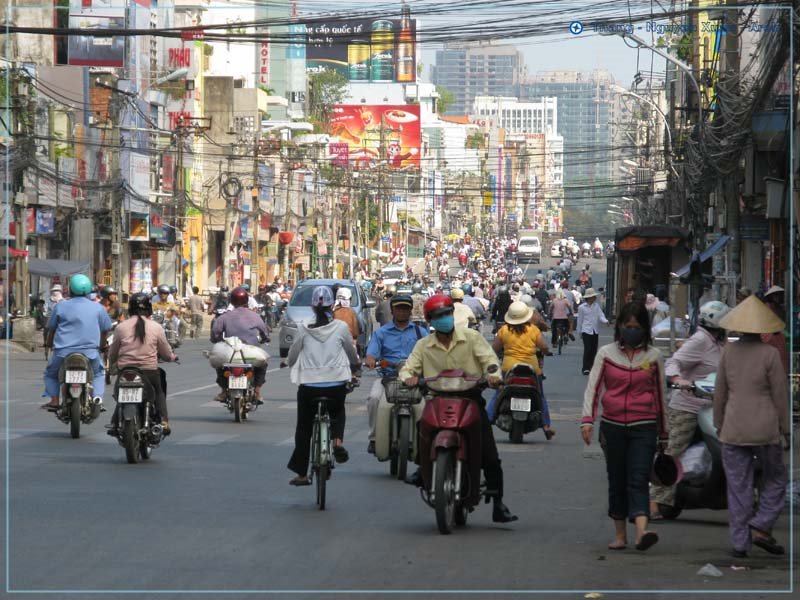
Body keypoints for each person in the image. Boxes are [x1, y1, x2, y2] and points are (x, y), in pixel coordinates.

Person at [399, 294, 517, 523]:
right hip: (436, 399)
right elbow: (408, 368)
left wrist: (493, 376)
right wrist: (408, 378)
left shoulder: (472, 338)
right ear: (430, 320)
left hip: (470, 399)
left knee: (490, 456)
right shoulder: (423, 345)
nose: (444, 318)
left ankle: (498, 502)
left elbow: (490, 360)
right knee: (421, 425)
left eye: (447, 313)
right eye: (438, 315)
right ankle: (421, 469)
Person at [581, 301, 668, 551]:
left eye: (637, 326)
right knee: (617, 479)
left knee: (639, 477)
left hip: (645, 426)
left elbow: (661, 396)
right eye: (628, 326)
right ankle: (620, 535)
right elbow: (593, 389)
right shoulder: (606, 354)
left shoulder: (654, 357)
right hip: (612, 426)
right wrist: (587, 420)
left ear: (644, 328)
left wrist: (664, 433)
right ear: (620, 327)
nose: (632, 330)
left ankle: (642, 532)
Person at [713, 295, 789, 558]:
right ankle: (762, 522)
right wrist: (786, 427)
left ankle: (739, 544)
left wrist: (718, 422)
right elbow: (780, 395)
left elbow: (719, 392)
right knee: (776, 479)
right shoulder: (770, 353)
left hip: (733, 428)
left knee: (738, 487)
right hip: (766, 429)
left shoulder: (728, 352)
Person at [649, 300, 730, 519]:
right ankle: (655, 502)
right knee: (672, 452)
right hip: (688, 406)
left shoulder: (720, 343)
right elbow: (674, 362)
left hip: (713, 407)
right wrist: (678, 379)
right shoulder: (701, 340)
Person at [286, 286, 360, 486]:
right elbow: (351, 352)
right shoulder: (341, 327)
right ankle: (337, 442)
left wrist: (290, 363)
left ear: (312, 306)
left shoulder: (303, 327)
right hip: (336, 385)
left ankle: (302, 474)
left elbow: (293, 355)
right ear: (331, 305)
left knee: (304, 428)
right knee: (338, 411)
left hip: (309, 386)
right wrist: (355, 364)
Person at [363, 295, 427, 453]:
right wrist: (371, 359)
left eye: (406, 309)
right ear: (392, 310)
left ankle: (425, 441)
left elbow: (431, 352)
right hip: (388, 377)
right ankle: (374, 438)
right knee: (373, 399)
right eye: (399, 308)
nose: (402, 312)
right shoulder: (381, 333)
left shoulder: (421, 333)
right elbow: (371, 352)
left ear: (411, 311)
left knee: (427, 406)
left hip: (414, 379)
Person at [107, 293, 178, 434]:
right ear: (149, 308)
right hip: (149, 371)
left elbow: (113, 353)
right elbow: (165, 352)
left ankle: (116, 420)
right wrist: (172, 357)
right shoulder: (156, 327)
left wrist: (112, 364)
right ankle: (164, 420)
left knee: (121, 393)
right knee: (158, 391)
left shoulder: (121, 327)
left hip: (126, 370)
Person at [41, 274, 113, 410]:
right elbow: (105, 330)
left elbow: (51, 329)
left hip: (63, 352)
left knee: (50, 374)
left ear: (70, 290)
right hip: (90, 353)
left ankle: (55, 400)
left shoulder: (60, 306)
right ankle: (98, 398)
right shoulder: (98, 308)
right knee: (98, 373)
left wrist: (49, 344)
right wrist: (102, 346)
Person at [491, 301, 554, 440]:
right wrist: (546, 351)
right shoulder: (533, 330)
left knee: (498, 394)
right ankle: (546, 426)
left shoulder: (503, 330)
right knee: (540, 396)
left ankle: (487, 420)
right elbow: (543, 346)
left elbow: (494, 349)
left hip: (508, 368)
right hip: (531, 369)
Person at [210, 287, 270, 403]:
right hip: (250, 351)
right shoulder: (255, 316)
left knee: (220, 365)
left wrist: (216, 340)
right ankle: (257, 391)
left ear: (231, 301)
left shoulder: (225, 316)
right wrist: (265, 338)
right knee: (263, 364)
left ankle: (223, 391)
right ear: (247, 300)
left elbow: (215, 333)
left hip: (230, 352)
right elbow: (264, 332)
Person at [576, 288, 608, 375]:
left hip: (595, 330)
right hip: (586, 330)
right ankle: (585, 368)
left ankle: (592, 366)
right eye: (593, 297)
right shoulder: (582, 308)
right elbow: (580, 320)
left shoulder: (596, 306)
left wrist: (605, 321)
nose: (594, 298)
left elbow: (601, 315)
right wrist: (579, 332)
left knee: (594, 349)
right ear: (589, 298)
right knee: (588, 349)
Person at [760, 285, 788, 372]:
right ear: (771, 296)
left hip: (778, 336)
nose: (778, 297)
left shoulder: (779, 308)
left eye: (779, 295)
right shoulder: (768, 307)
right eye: (776, 295)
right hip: (770, 335)